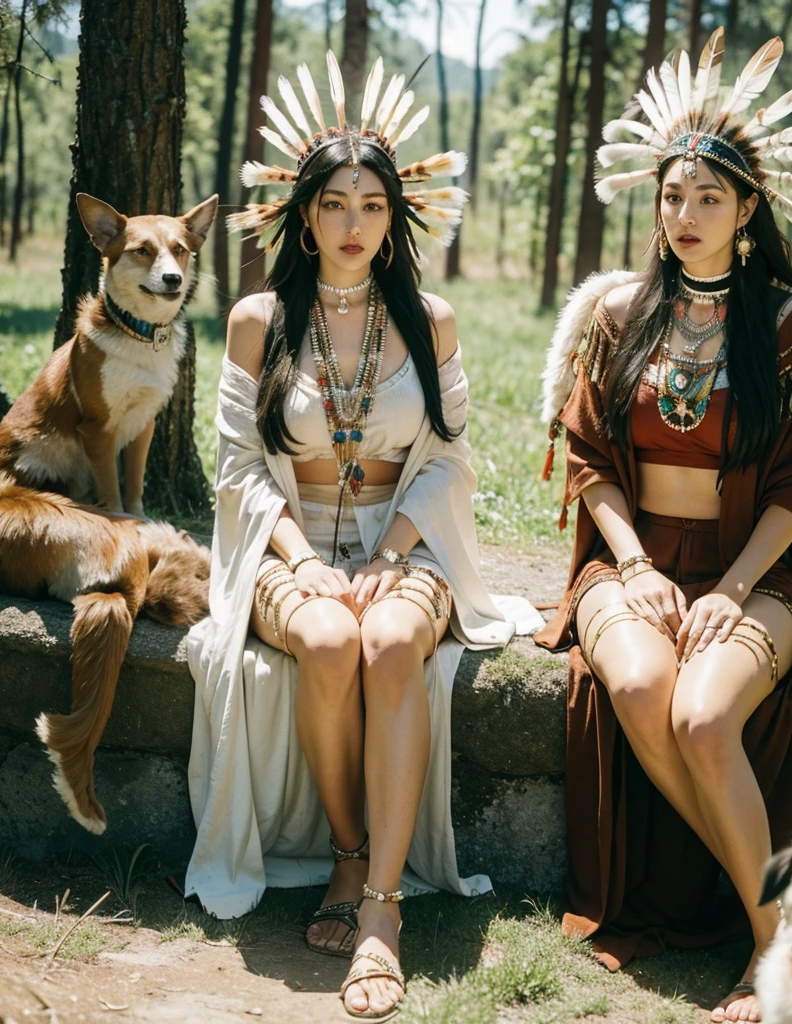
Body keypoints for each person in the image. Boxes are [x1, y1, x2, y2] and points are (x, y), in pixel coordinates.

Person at [535, 29, 792, 1024]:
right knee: (641, 683)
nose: (684, 213)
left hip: (758, 571)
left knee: (704, 715)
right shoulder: (617, 313)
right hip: (630, 561)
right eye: (671, 194)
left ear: (749, 209)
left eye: (708, 196)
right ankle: (783, 935)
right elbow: (590, 465)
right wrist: (633, 567)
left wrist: (735, 586)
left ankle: (766, 950)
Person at [185, 52, 539, 1021]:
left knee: (386, 637)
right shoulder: (259, 320)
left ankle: (381, 910)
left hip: (405, 539)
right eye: (335, 202)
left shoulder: (430, 320)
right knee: (332, 635)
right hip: (285, 540)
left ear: (396, 218)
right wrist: (301, 561)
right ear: (303, 214)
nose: (352, 223)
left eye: (372, 205)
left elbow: (450, 460)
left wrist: (388, 558)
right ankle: (348, 851)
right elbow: (240, 467)